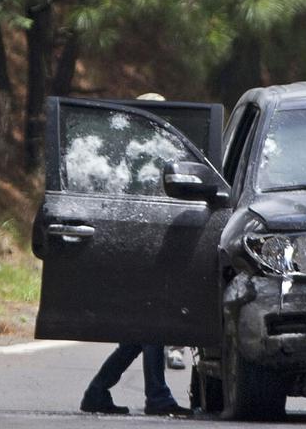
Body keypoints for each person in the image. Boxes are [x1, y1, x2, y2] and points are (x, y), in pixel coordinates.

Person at [78, 91, 189, 416]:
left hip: (140, 243)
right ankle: (157, 396)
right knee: (151, 323)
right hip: (140, 244)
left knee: (138, 333)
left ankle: (98, 390)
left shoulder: (128, 150)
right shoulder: (139, 152)